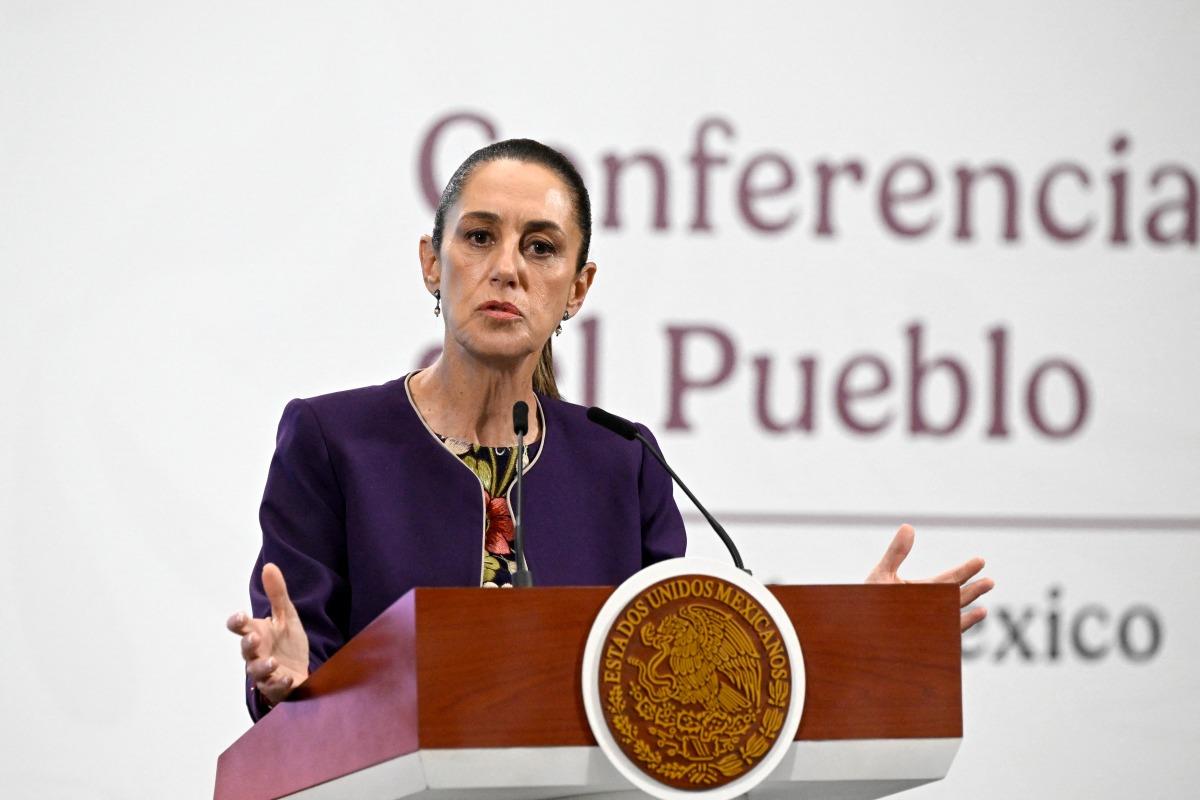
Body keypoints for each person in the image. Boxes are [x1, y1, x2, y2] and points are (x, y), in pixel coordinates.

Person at [226, 139, 993, 721]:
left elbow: (681, 686)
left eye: (541, 247)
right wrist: (290, 680)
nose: (507, 268)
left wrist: (852, 648)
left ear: (578, 288)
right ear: (432, 263)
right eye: (479, 237)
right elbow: (297, 667)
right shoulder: (332, 440)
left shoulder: (622, 462)